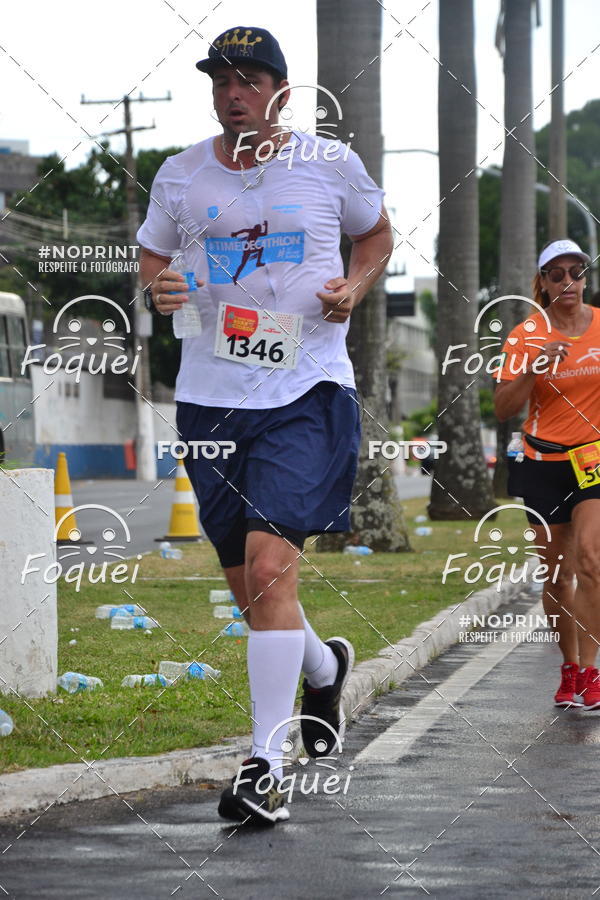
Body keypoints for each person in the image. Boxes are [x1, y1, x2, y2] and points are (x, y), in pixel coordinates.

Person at [137, 26, 392, 824]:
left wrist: (356, 283)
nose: (232, 91)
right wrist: (161, 289)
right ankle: (324, 669)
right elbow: (152, 256)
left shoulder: (330, 166)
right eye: (221, 79)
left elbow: (377, 233)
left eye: (248, 78)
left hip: (307, 390)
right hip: (213, 396)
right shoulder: (181, 175)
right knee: (251, 591)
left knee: (273, 569)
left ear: (281, 89)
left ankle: (263, 766)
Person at [495, 238, 600, 710]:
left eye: (576, 271)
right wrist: (533, 369)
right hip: (541, 463)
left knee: (592, 563)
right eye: (555, 274)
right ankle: (570, 668)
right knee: (557, 577)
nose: (568, 281)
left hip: (594, 462)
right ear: (541, 283)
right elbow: (503, 409)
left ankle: (593, 673)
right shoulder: (524, 336)